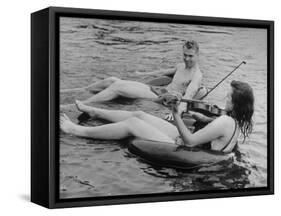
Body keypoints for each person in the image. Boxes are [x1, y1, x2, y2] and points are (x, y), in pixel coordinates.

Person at [60, 80, 254, 153]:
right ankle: (94, 111)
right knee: (140, 113)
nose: (225, 98)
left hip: (184, 147)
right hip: (185, 141)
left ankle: (77, 130)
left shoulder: (225, 121)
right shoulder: (232, 121)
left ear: (236, 103)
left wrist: (176, 113)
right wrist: (202, 118)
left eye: (229, 97)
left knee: (133, 123)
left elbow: (190, 141)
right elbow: (217, 131)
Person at [76, 40, 206, 119]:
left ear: (197, 55)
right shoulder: (181, 66)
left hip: (161, 99)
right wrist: (142, 73)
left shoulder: (196, 75)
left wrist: (176, 114)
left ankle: (82, 104)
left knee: (118, 87)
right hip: (158, 90)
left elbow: (188, 96)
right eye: (184, 55)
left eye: (190, 56)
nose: (187, 59)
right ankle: (78, 90)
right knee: (112, 80)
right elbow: (163, 72)